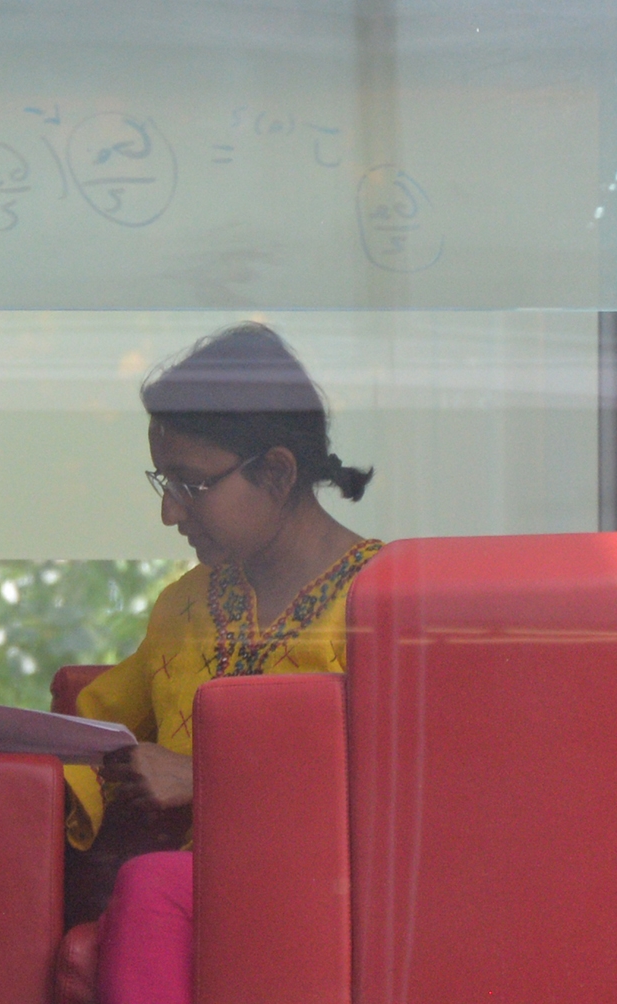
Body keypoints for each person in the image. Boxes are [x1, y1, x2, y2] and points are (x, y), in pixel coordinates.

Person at [63, 322, 381, 1004]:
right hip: (197, 897)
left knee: (152, 884)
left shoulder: (387, 605)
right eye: (163, 480)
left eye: (191, 484)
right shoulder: (186, 606)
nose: (169, 511)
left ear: (275, 472)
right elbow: (88, 734)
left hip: (330, 887)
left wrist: (208, 781)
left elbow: (401, 788)